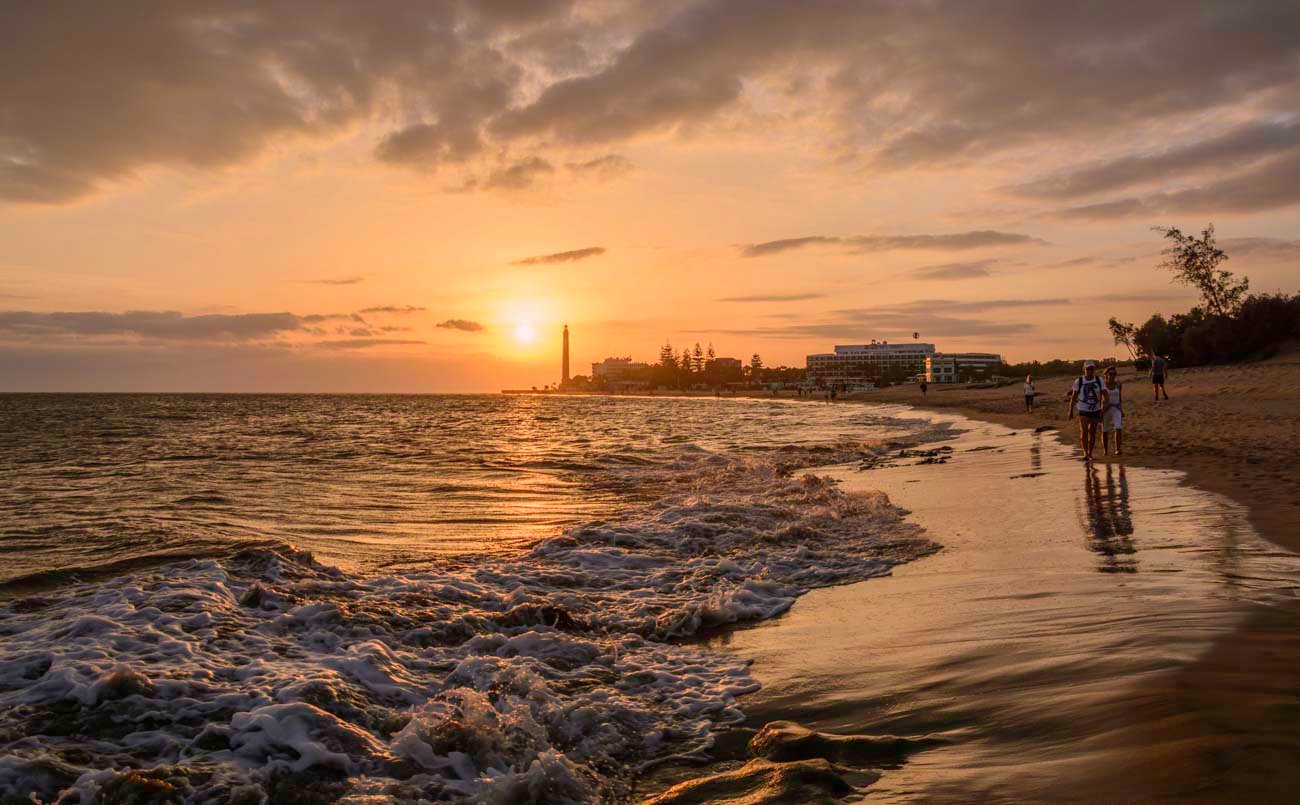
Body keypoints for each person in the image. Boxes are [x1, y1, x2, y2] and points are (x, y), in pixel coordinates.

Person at [1067, 361, 1109, 462]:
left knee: (1093, 432)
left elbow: (1105, 394)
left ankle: (1090, 452)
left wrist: (1103, 406)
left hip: (1096, 409)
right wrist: (1070, 410)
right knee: (1084, 431)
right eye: (1088, 369)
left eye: (1091, 369)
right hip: (1083, 409)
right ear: (1084, 370)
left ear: (1094, 369)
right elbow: (1074, 396)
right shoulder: (1079, 381)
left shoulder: (1099, 380)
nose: (1090, 371)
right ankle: (1085, 453)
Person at [1101, 365, 1123, 456]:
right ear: (1106, 374)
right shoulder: (1103, 385)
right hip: (1106, 409)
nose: (1112, 375)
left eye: (1114, 374)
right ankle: (1105, 450)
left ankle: (1117, 449)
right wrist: (1100, 411)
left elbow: (1120, 397)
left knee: (1118, 428)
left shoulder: (1118, 384)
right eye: (1110, 373)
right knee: (1105, 430)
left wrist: (1122, 409)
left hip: (1116, 408)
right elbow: (1099, 398)